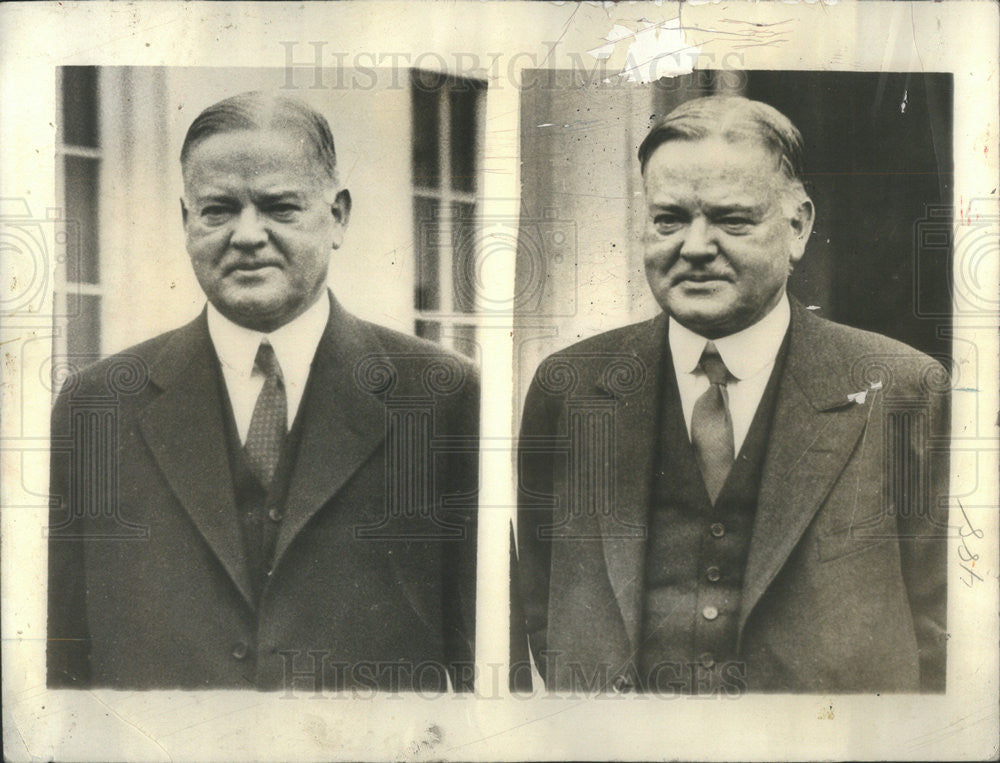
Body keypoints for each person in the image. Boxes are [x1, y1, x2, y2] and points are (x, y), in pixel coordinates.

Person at [515, 95, 948, 694]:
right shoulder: (571, 388)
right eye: (669, 219)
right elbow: (543, 599)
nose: (694, 246)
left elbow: (945, 625)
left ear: (797, 227)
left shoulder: (903, 390)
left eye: (732, 220)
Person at [47, 92, 478, 692]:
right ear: (185, 221)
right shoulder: (95, 407)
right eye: (219, 210)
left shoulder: (444, 398)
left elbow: (486, 663)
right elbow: (62, 664)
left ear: (338, 217)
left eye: (279, 206)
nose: (247, 235)